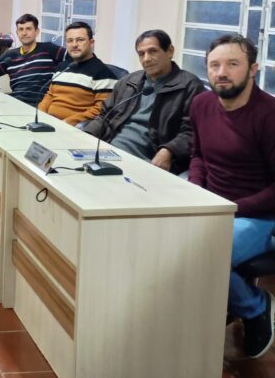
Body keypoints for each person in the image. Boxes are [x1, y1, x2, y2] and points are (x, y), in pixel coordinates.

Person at [189, 34, 275, 359]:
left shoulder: (269, 114)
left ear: (253, 69)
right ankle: (217, 301)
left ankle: (255, 307)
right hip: (215, 203)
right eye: (214, 65)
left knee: (204, 253)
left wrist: (231, 209)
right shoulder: (201, 104)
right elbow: (198, 156)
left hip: (259, 214)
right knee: (164, 237)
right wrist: (194, 190)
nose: (221, 72)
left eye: (232, 64)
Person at [84, 29, 204, 174]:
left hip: (150, 161)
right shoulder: (128, 82)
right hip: (109, 152)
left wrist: (169, 150)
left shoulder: (190, 86)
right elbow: (105, 115)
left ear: (170, 51)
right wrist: (86, 137)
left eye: (153, 51)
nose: (146, 59)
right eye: (141, 54)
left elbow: (192, 132)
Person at [0, 13, 65, 106]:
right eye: (21, 29)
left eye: (28, 29)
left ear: (37, 32)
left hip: (39, 105)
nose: (24, 33)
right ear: (17, 33)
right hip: (15, 103)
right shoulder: (10, 56)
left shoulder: (49, 49)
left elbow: (72, 58)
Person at [37, 21, 117, 125]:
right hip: (47, 123)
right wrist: (40, 115)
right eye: (70, 40)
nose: (74, 45)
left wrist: (67, 123)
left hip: (73, 128)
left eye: (80, 40)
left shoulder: (103, 73)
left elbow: (101, 110)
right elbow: (50, 95)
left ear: (91, 43)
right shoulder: (62, 67)